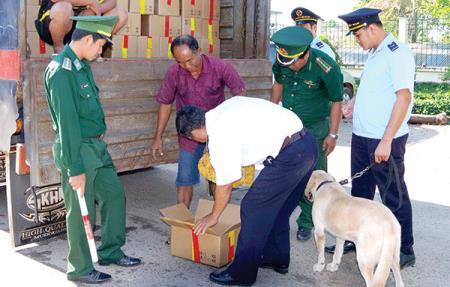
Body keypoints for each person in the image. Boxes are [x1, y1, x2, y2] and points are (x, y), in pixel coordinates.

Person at [176, 96, 318, 286]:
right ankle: (276, 258)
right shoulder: (223, 110)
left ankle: (241, 273)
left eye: (193, 138)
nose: (199, 142)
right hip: (307, 144)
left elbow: (225, 185)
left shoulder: (219, 135)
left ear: (193, 132)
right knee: (279, 207)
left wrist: (214, 216)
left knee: (252, 208)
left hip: (291, 154)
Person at [44, 16, 141, 284]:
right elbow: (67, 126)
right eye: (100, 46)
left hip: (96, 146)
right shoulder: (62, 72)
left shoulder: (81, 65)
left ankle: (110, 251)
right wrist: (74, 168)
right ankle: (80, 268)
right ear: (87, 39)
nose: (101, 52)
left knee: (114, 196)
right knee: (79, 210)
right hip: (78, 149)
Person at [326, 8, 416, 269]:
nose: (357, 41)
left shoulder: (397, 54)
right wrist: (354, 103)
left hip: (383, 139)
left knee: (393, 195)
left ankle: (404, 248)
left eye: (357, 35)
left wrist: (386, 140)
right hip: (362, 136)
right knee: (361, 192)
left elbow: (403, 97)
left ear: (372, 28)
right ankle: (357, 238)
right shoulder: (375, 53)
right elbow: (373, 88)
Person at [151, 34, 245, 209]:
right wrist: (158, 137)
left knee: (218, 177)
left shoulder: (221, 67)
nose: (186, 66)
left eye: (189, 60)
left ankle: (216, 224)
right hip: (190, 135)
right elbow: (165, 103)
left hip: (217, 133)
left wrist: (233, 127)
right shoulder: (174, 73)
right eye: (180, 62)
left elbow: (240, 95)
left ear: (199, 51)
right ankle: (181, 228)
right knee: (184, 179)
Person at [270, 26, 343, 241]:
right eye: (286, 62)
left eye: (294, 62)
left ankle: (307, 221)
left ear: (305, 53)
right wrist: (272, 113)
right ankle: (281, 215)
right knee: (285, 172)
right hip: (288, 127)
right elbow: (278, 84)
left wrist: (333, 135)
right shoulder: (283, 60)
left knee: (315, 177)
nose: (290, 66)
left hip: (314, 129)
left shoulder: (325, 66)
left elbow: (337, 101)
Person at [35, 0, 127, 53]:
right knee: (63, 8)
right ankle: (59, 49)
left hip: (85, 22)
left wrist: (97, 9)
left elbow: (112, 2)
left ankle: (91, 49)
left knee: (120, 14)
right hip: (57, 22)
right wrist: (90, 2)